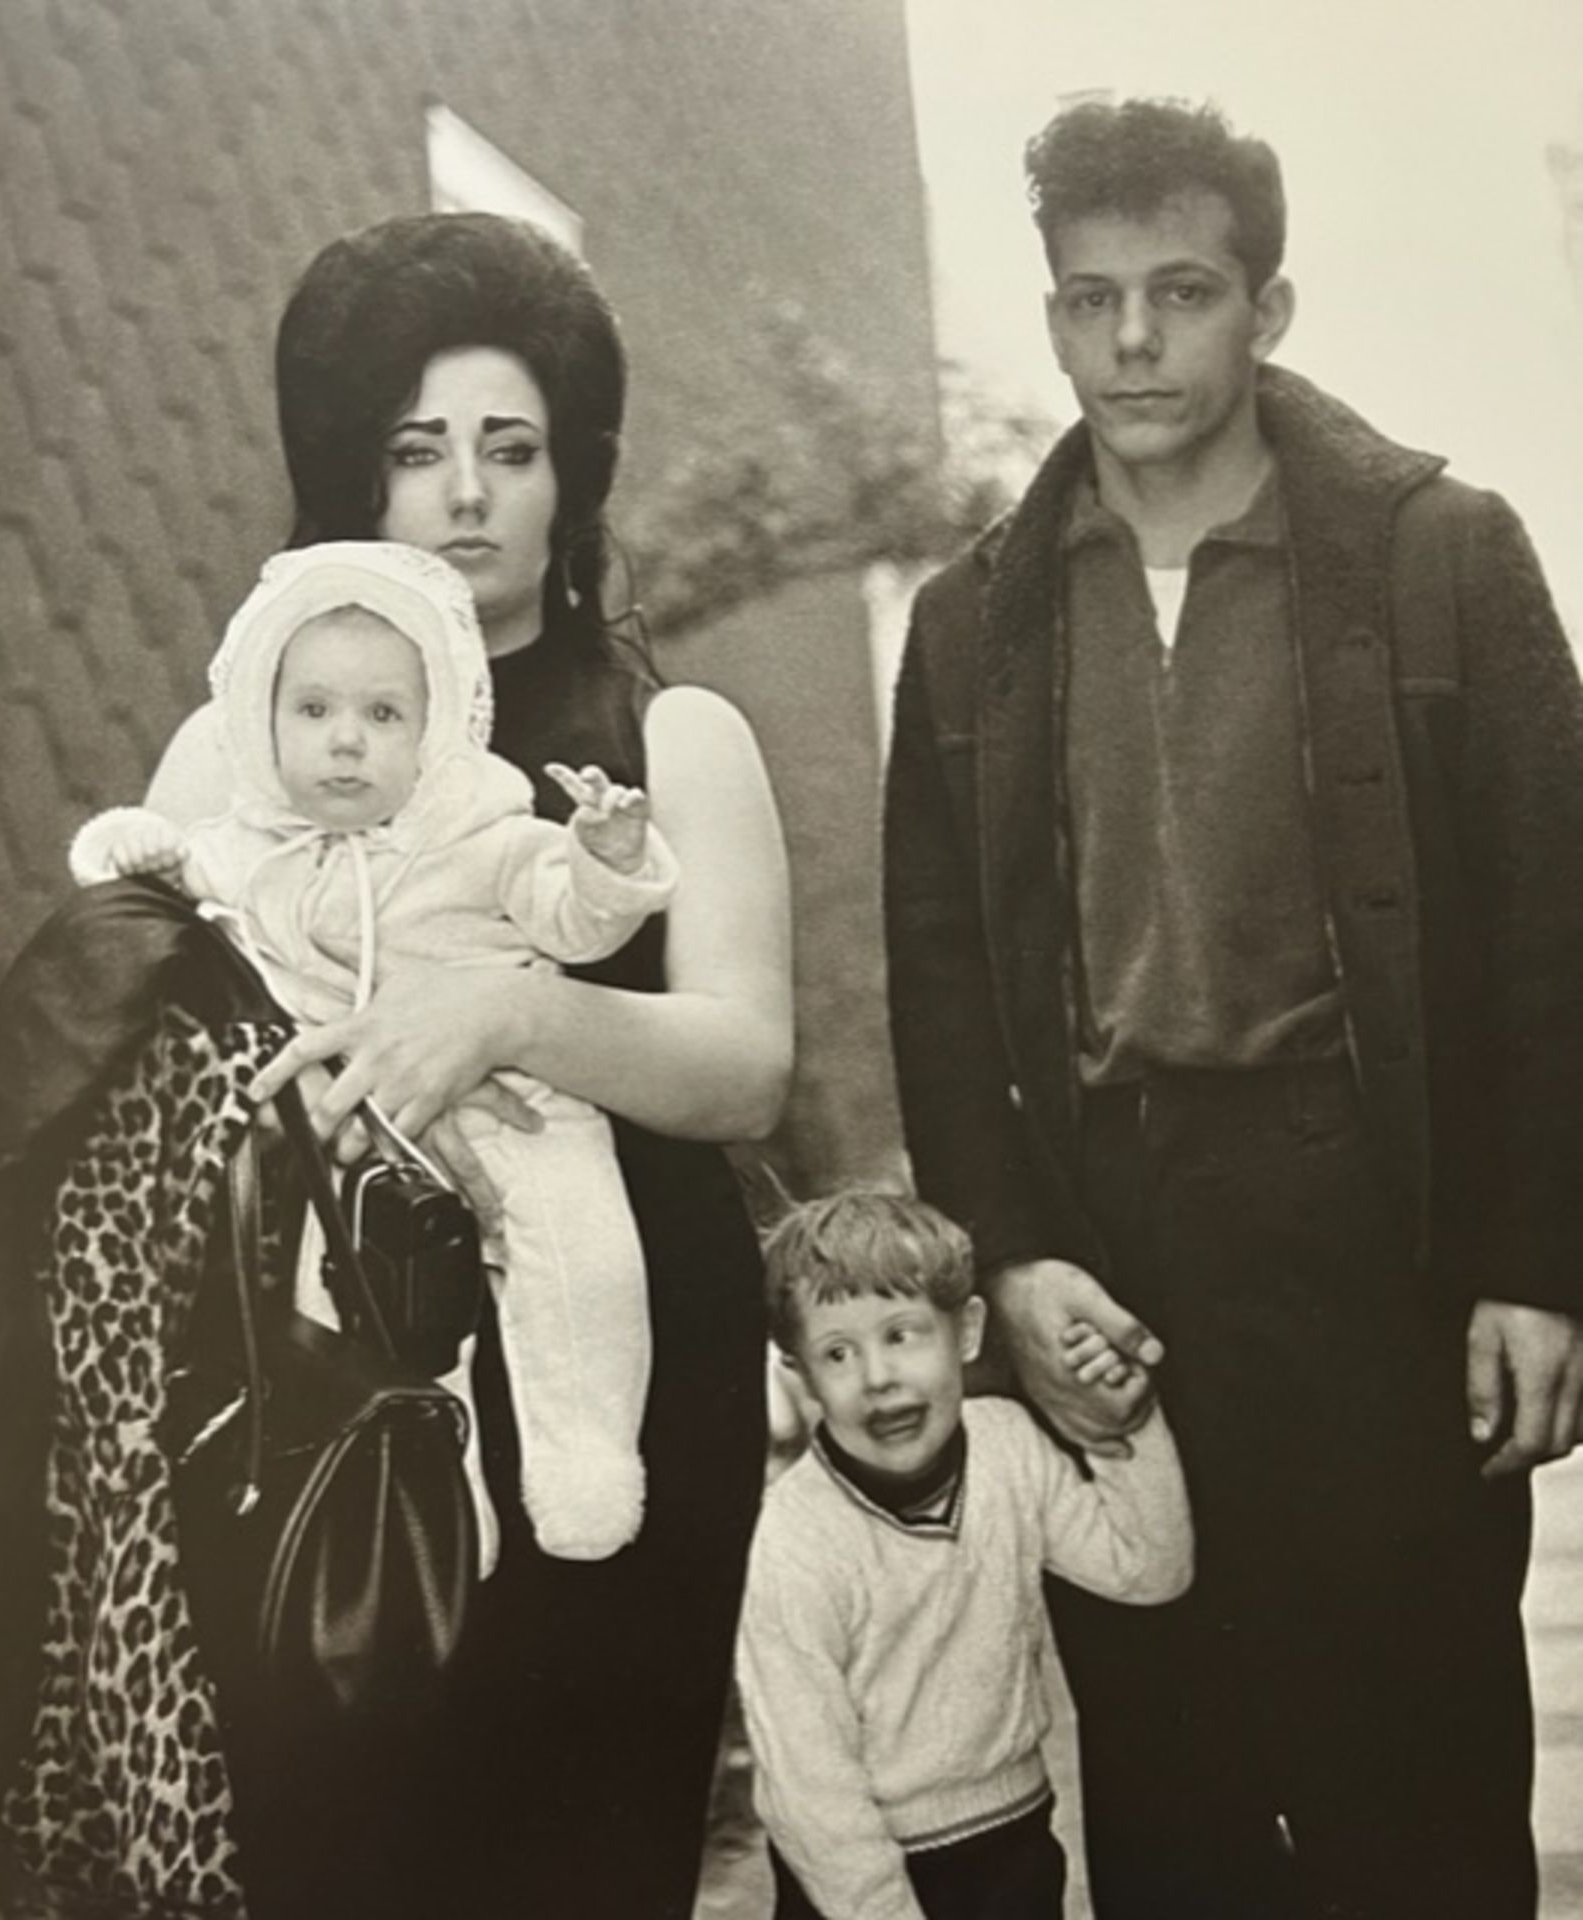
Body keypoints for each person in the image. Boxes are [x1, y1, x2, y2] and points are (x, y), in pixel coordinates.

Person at [884, 97, 1583, 1920]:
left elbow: (1549, 929)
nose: (1131, 341)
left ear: (1265, 308)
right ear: (1048, 315)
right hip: (1116, 1247)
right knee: (1171, 1798)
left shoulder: (1441, 558)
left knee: (1411, 1794)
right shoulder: (977, 622)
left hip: (1370, 1231)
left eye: (1180, 292)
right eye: (1089, 298)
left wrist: (1536, 1257)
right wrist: (1011, 1257)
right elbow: (943, 976)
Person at [149, 212, 792, 1918]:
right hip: (331, 1375)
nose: (464, 491)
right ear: (354, 475)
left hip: (630, 1362)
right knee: (353, 1851)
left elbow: (744, 1066)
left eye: (507, 447)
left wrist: (509, 1016)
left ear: (565, 475)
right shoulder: (241, 741)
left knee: (585, 1855)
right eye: (415, 448)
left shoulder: (676, 736)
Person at [72, 538, 679, 1563]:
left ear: (435, 730)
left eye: (383, 715)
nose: (346, 742)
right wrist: (129, 851)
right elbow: (149, 896)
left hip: (510, 1099)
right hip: (343, 1133)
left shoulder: (484, 835)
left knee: (584, 1248)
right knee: (353, 1308)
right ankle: (428, 1501)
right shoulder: (246, 849)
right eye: (314, 711)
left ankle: (586, 1454)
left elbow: (575, 920)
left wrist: (607, 860)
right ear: (263, 725)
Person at [736, 1192, 1190, 1920]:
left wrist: (1129, 1425)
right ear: (800, 1374)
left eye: (903, 1334)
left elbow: (1148, 1571)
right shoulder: (797, 1539)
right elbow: (808, 1789)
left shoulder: (1006, 1447)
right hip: (853, 1877)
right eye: (838, 1352)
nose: (878, 1376)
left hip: (1012, 1840)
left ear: (968, 1331)